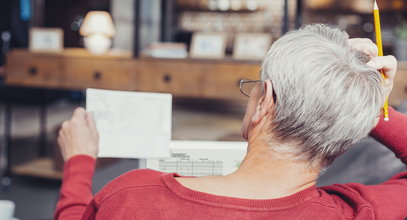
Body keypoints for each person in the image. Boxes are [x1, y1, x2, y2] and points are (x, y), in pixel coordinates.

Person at [54, 24, 407, 219]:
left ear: (264, 102)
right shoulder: (354, 213)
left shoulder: (132, 196)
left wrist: (79, 162)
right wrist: (374, 107)